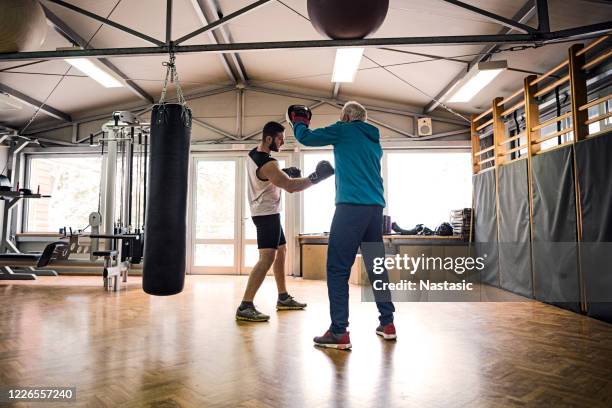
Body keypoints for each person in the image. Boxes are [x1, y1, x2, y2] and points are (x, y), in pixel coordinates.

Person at [287, 102, 396, 349]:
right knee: (376, 266)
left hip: (350, 207)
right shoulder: (373, 139)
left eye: (340, 116)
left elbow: (307, 139)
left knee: (337, 269)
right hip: (375, 209)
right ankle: (387, 323)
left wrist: (299, 122)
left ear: (346, 116)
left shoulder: (344, 129)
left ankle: (339, 332)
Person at [236, 121, 335, 322]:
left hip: (267, 211)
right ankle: (245, 305)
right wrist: (315, 177)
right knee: (267, 259)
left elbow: (269, 178)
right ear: (269, 138)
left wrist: (284, 172)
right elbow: (290, 187)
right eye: (280, 138)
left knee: (281, 251)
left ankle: (283, 297)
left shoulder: (255, 153)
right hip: (266, 214)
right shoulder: (268, 164)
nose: (283, 142)